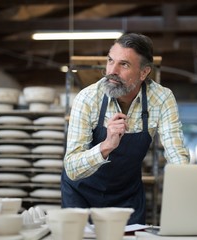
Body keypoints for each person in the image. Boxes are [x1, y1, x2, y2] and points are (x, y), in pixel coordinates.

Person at [61, 33, 190, 225]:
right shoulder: (87, 98)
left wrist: (189, 188)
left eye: (124, 64)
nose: (112, 70)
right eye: (110, 61)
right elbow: (71, 168)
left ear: (144, 73)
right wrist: (105, 146)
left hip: (127, 198)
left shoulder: (162, 99)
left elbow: (176, 154)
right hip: (81, 196)